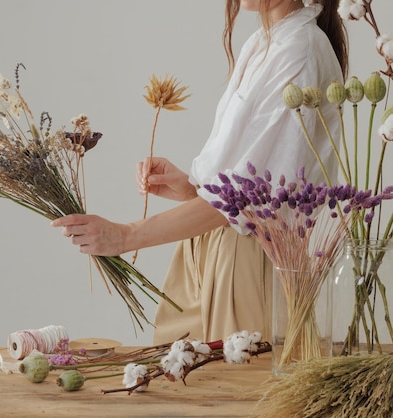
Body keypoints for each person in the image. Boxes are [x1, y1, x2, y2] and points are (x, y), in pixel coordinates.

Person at [52, 0, 348, 345]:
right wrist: (194, 188)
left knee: (234, 391)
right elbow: (254, 181)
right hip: (216, 246)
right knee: (187, 386)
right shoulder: (264, 44)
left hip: (250, 258)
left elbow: (251, 200)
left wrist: (126, 236)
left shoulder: (301, 49)